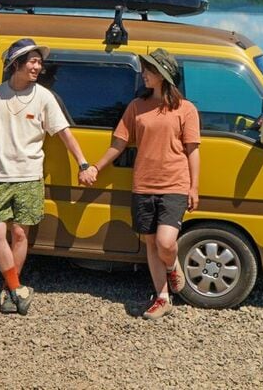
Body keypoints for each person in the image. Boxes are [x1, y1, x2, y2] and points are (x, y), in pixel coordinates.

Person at [0, 38, 93, 315]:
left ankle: (8, 289)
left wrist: (83, 162)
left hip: (29, 175)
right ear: (15, 63)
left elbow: (64, 132)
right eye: (33, 61)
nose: (38, 66)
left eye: (40, 62)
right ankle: (17, 287)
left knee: (19, 233)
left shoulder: (43, 97)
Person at [83, 48, 200, 320]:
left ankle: (172, 267)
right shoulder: (136, 107)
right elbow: (119, 143)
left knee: (165, 242)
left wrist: (194, 187)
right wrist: (96, 167)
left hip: (174, 184)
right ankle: (162, 297)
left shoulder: (186, 110)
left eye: (149, 70)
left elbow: (193, 150)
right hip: (143, 185)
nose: (144, 74)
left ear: (163, 75)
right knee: (150, 242)